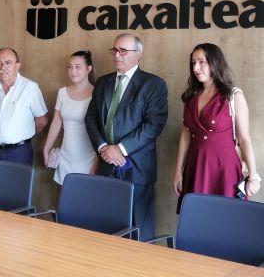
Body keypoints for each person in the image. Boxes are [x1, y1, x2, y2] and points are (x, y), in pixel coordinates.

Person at [85, 33, 168, 240]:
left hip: (137, 167)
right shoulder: (103, 82)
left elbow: (154, 125)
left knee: (139, 228)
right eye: (114, 50)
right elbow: (91, 119)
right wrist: (103, 147)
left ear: (138, 54)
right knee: (106, 224)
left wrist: (120, 149)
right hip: (106, 164)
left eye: (123, 51)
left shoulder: (153, 84)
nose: (117, 55)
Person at [173, 43, 261, 212]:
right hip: (195, 167)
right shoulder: (191, 96)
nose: (196, 68)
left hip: (224, 169)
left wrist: (253, 176)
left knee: (225, 217)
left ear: (215, 63)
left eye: (202, 62)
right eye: (193, 63)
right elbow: (186, 133)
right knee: (196, 217)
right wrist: (178, 171)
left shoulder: (233, 96)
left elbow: (244, 139)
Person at [0, 48, 48, 165]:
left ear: (17, 66)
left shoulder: (30, 88)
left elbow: (41, 121)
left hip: (19, 152)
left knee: (19, 178)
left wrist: (22, 134)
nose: (3, 67)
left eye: (8, 62)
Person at [43, 51, 97, 186]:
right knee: (65, 195)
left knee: (86, 195)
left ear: (88, 69)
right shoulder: (62, 92)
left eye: (78, 67)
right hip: (65, 156)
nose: (73, 71)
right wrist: (46, 148)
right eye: (70, 67)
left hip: (89, 157)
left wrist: (97, 162)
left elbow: (102, 130)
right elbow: (56, 122)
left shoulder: (97, 94)